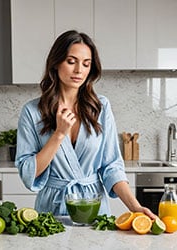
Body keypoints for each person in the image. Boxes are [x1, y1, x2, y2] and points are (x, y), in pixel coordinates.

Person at [15, 30, 156, 219]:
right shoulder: (32, 112)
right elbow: (28, 173)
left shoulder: (100, 107)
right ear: (56, 63)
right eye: (71, 61)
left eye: (86, 64)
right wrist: (58, 135)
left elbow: (111, 166)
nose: (79, 70)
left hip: (93, 208)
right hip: (51, 212)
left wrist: (135, 207)